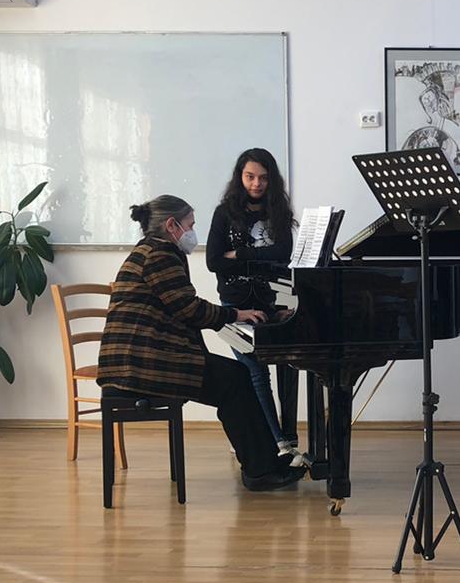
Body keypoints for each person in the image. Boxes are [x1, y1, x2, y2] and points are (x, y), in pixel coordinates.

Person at [98, 195, 305, 492]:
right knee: (236, 379)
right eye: (190, 225)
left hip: (139, 358)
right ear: (172, 225)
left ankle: (265, 464)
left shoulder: (151, 250)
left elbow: (182, 308)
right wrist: (235, 314)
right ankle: (261, 470)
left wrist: (241, 316)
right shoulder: (159, 254)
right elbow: (188, 309)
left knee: (236, 377)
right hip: (140, 365)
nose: (193, 232)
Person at [206, 150, 299, 455]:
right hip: (235, 306)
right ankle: (277, 442)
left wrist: (241, 254)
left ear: (271, 179)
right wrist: (261, 258)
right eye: (250, 177)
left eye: (263, 177)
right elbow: (213, 261)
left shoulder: (278, 211)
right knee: (256, 371)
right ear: (240, 177)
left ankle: (285, 438)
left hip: (272, 303)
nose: (256, 183)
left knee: (287, 366)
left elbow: (283, 255)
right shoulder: (224, 213)